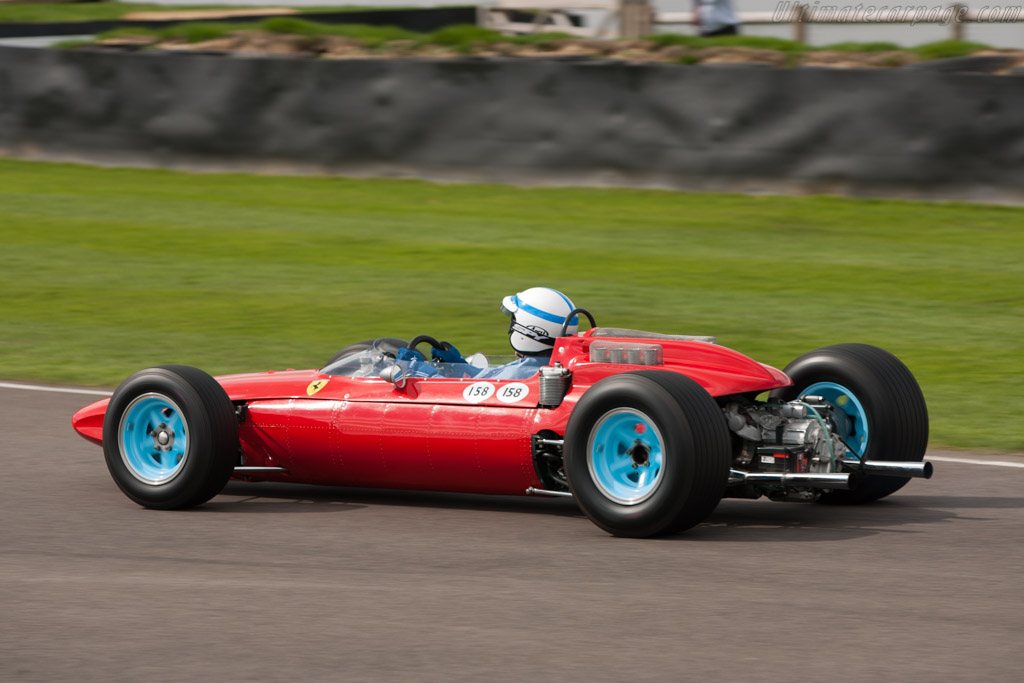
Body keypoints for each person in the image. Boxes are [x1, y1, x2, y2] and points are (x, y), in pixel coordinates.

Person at [395, 287, 579, 381]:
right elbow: (488, 379)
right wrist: (461, 366)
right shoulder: (544, 366)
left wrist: (419, 371)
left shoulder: (520, 373)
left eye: (514, 322)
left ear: (528, 331)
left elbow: (466, 397)